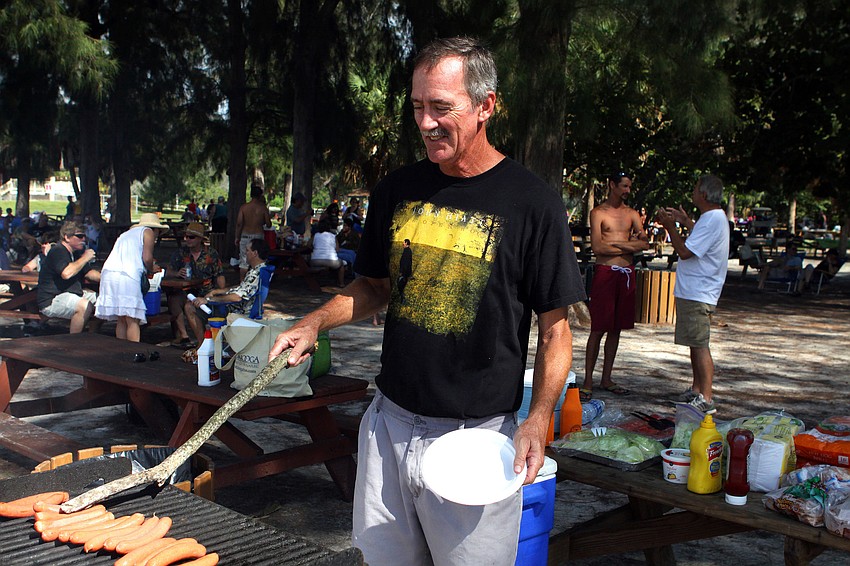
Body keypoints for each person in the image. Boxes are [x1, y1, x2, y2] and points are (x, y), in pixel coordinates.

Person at [268, 37, 585, 565]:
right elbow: (373, 288)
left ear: (486, 106)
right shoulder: (397, 189)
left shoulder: (533, 203)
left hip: (475, 440)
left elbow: (557, 331)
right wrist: (314, 325)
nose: (426, 122)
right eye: (418, 107)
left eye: (442, 107)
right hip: (388, 427)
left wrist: (539, 418)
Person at [655, 175, 729, 414]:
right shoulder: (713, 218)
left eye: (696, 189)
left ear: (704, 195)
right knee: (694, 342)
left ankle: (706, 397)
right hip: (696, 290)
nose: (693, 192)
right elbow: (699, 239)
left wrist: (670, 227)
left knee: (699, 344)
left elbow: (686, 251)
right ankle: (697, 389)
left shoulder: (712, 219)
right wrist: (686, 221)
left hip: (699, 291)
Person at [582, 172, 649, 400]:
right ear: (612, 185)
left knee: (616, 328)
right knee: (598, 328)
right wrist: (630, 246)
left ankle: (607, 377)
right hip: (605, 273)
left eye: (629, 186)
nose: (627, 191)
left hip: (626, 274)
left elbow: (645, 242)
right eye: (624, 186)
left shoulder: (632, 214)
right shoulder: (598, 213)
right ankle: (588, 380)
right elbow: (598, 248)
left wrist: (618, 244)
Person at [94, 213, 166, 341]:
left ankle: (122, 350)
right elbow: (147, 258)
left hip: (110, 273)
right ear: (155, 229)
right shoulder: (148, 232)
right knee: (132, 318)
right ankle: (133, 350)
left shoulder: (126, 234)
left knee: (122, 317)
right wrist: (151, 268)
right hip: (127, 275)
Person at [186, 238, 271, 343]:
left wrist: (209, 299)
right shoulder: (261, 270)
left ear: (255, 253)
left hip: (235, 312)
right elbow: (242, 288)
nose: (245, 253)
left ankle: (202, 345)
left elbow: (237, 297)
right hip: (238, 308)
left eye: (247, 250)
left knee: (190, 307)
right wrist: (217, 291)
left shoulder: (255, 274)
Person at [167, 222, 226, 347]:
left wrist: (222, 294)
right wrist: (177, 273)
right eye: (186, 236)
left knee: (190, 306)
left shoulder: (211, 254)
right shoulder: (181, 253)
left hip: (206, 292)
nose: (187, 239)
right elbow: (168, 271)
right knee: (173, 299)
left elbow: (219, 275)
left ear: (200, 239)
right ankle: (183, 335)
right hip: (186, 291)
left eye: (191, 237)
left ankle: (202, 344)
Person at [37, 220, 101, 333]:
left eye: (84, 236)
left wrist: (109, 278)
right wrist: (85, 258)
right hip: (52, 299)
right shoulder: (57, 251)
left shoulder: (76, 254)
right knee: (83, 306)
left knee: (105, 303)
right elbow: (66, 273)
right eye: (79, 236)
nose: (84, 240)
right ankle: (73, 342)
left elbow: (89, 273)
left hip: (71, 293)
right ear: (67, 237)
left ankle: (92, 334)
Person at [236, 183, 271, 280]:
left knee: (243, 262)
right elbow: (269, 224)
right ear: (260, 195)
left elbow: (239, 223)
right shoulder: (263, 208)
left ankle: (242, 284)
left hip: (245, 235)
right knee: (258, 261)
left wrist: (237, 237)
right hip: (258, 235)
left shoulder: (244, 207)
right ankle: (257, 283)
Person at [309, 219, 346, 287]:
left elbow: (308, 245)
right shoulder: (333, 236)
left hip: (316, 260)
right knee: (341, 265)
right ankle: (341, 283)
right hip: (332, 261)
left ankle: (315, 282)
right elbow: (337, 249)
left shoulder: (315, 235)